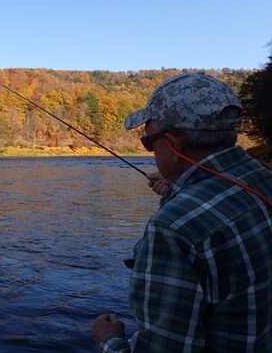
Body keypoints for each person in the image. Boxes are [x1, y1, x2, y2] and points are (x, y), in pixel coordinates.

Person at [92, 72, 272, 352]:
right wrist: (179, 189)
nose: (150, 149)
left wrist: (108, 341)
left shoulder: (171, 229)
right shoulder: (264, 175)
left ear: (174, 145)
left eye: (148, 141)